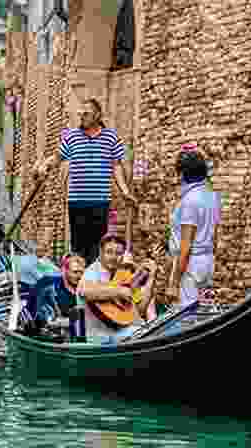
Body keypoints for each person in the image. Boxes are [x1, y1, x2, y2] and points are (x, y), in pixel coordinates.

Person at [33, 98, 138, 267]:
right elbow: (57, 158)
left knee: (97, 247)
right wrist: (45, 165)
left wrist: (125, 191)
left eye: (86, 114)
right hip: (77, 201)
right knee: (78, 247)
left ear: (98, 115)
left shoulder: (110, 137)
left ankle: (93, 283)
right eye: (81, 113)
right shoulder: (72, 136)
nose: (82, 116)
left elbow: (116, 165)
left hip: (100, 200)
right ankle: (78, 284)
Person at [161, 145, 220, 321]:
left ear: (182, 174)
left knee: (186, 318)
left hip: (190, 266)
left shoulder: (190, 201)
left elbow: (185, 248)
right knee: (205, 316)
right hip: (207, 261)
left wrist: (173, 283)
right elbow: (215, 237)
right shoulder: (212, 196)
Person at [77, 234, 158, 344]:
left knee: (150, 332)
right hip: (100, 338)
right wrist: (118, 292)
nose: (113, 257)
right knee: (145, 335)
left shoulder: (122, 273)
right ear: (100, 253)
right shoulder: (92, 272)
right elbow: (84, 291)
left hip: (121, 331)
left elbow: (139, 310)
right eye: (109, 252)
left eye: (118, 253)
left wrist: (151, 278)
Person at [33, 253, 87, 330]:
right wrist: (72, 321)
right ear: (64, 271)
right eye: (75, 272)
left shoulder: (85, 289)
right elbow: (46, 320)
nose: (79, 276)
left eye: (81, 272)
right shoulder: (49, 288)